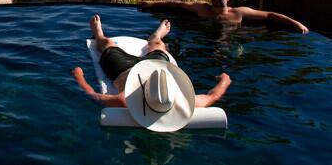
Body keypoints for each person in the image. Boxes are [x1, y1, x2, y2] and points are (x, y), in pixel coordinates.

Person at [72, 15, 231, 125]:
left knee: (106, 44)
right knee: (157, 45)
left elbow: (93, 95)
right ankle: (157, 35)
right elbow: (213, 96)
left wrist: (79, 78)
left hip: (123, 69)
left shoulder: (124, 100)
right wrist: (225, 81)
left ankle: (99, 34)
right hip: (157, 67)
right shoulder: (188, 102)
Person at [139, 0, 309, 34]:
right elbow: (175, 4)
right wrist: (152, 3)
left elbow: (270, 15)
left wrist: (296, 24)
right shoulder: (202, 8)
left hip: (231, 38)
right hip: (205, 39)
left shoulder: (239, 12)